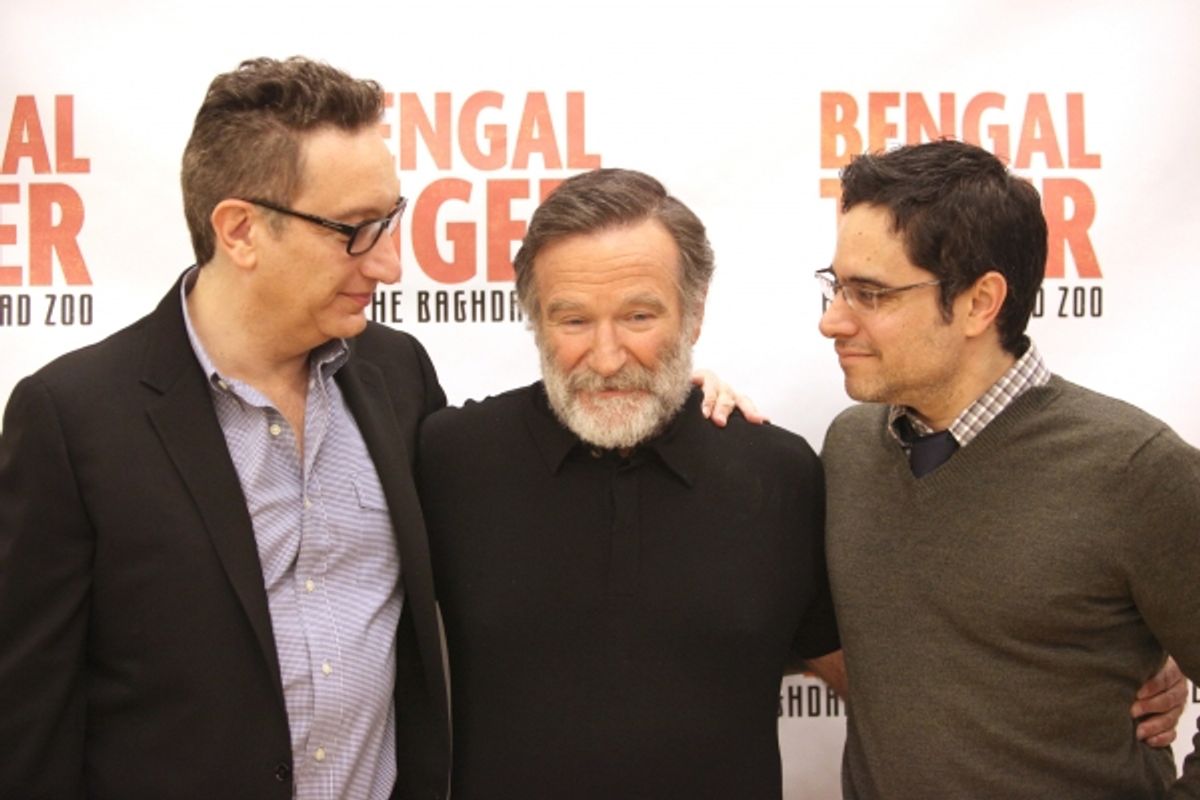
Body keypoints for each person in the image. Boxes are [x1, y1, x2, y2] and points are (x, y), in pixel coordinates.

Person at [0, 57, 452, 799]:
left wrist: (656, 394)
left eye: (391, 219)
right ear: (240, 230)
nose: (392, 263)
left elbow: (509, 477)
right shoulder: (72, 419)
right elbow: (29, 722)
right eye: (357, 230)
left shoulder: (398, 374)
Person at [415, 168, 846, 799]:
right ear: (535, 320)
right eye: (573, 322)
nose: (608, 355)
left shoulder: (780, 475)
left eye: (640, 316)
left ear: (694, 314)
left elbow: (873, 689)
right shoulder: (448, 460)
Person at [817, 138, 1200, 798]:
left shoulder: (1137, 470)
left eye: (870, 294)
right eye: (835, 286)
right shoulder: (849, 450)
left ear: (979, 302)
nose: (832, 321)